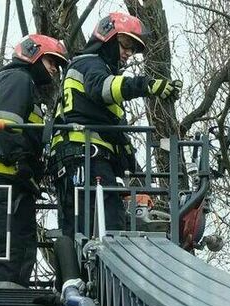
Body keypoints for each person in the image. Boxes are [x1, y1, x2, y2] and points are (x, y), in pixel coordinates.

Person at [51, 11, 182, 238]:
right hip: (87, 160)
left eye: (132, 49)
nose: (128, 54)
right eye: (125, 45)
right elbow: (103, 88)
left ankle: (76, 274)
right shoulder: (91, 65)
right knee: (108, 231)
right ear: (108, 38)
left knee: (79, 234)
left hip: (82, 161)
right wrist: (145, 85)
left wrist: (138, 176)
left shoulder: (91, 68)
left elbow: (114, 132)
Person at [0, 34, 69, 287]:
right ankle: (2, 293)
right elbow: (6, 125)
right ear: (33, 52)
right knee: (8, 240)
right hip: (4, 173)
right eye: (51, 61)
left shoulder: (12, 80)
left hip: (3, 173)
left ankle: (8, 288)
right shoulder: (18, 79)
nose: (54, 69)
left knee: (10, 236)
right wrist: (22, 161)